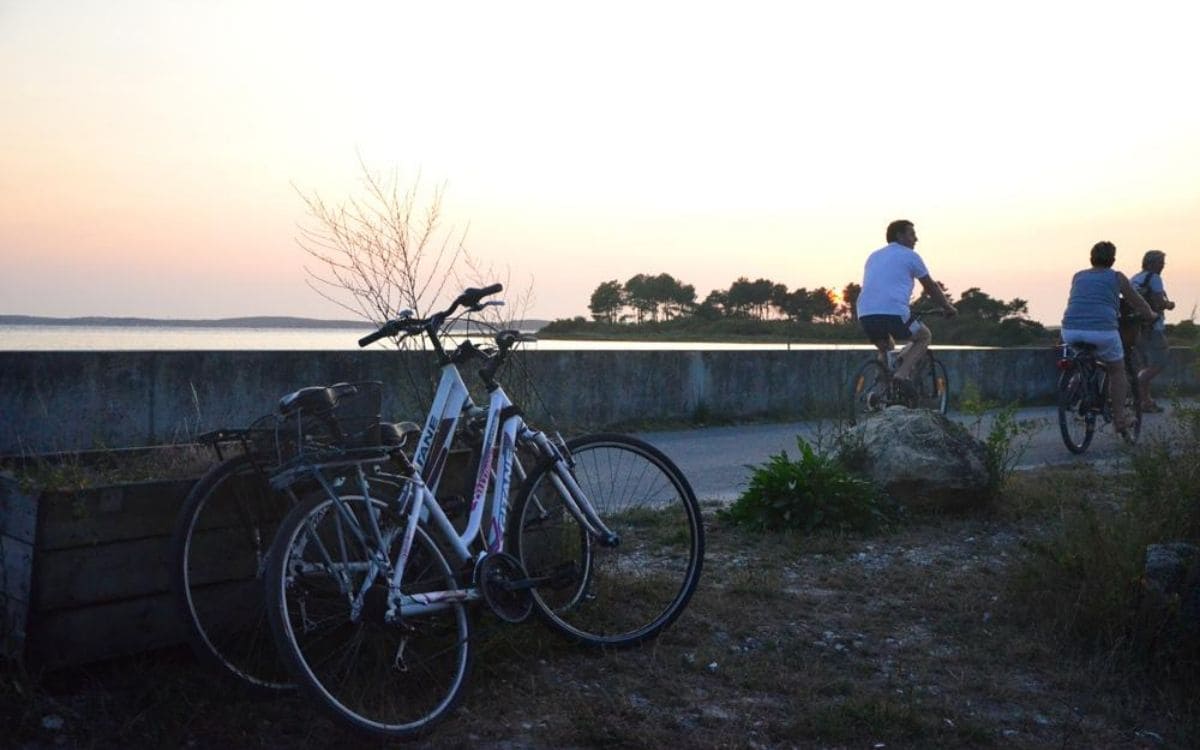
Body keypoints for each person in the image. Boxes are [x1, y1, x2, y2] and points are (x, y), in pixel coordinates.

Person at [1060, 241, 1154, 436]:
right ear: (1112, 259)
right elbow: (1135, 300)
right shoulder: (1116, 277)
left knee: (1083, 360)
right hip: (1102, 331)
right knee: (1116, 369)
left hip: (1070, 330)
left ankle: (1076, 389)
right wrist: (1150, 314)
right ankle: (1119, 419)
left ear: (1091, 258)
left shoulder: (1079, 276)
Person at [856, 219, 958, 388]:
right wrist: (947, 307)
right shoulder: (910, 256)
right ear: (899, 235)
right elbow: (930, 286)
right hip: (894, 311)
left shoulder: (874, 256)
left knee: (886, 348)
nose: (915, 239)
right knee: (924, 336)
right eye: (912, 234)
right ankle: (902, 375)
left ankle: (878, 390)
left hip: (866, 313)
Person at [1130, 250, 1175, 412]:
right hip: (1153, 327)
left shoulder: (1135, 278)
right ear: (1150, 263)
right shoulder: (1154, 278)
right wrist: (1169, 305)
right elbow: (1158, 302)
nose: (1162, 266)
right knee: (1160, 361)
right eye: (1160, 262)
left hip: (1136, 328)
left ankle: (1145, 402)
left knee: (1144, 364)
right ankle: (1139, 388)